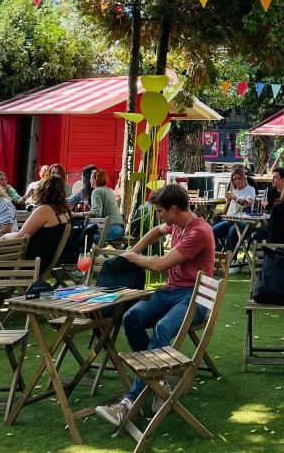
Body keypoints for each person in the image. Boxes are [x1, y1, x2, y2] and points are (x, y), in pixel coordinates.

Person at [95, 183, 215, 427]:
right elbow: (157, 232)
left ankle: (130, 401)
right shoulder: (177, 223)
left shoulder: (198, 231)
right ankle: (157, 381)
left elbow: (161, 265)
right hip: (172, 292)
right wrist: (134, 248)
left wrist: (133, 258)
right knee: (131, 317)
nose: (159, 216)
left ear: (173, 208)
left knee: (162, 327)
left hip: (194, 298)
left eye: (161, 211)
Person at [3, 174, 71, 274]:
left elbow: (21, 237)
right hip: (47, 259)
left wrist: (4, 237)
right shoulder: (65, 211)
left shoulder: (44, 209)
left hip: (31, 262)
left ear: (42, 190)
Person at [211, 166, 256, 252]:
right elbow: (225, 213)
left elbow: (248, 203)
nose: (237, 181)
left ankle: (232, 258)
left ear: (243, 178)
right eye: (234, 179)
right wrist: (227, 202)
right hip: (230, 220)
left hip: (244, 221)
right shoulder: (233, 191)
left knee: (232, 230)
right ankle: (217, 251)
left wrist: (235, 198)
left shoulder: (250, 189)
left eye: (239, 179)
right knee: (213, 230)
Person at [89, 169, 124, 240]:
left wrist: (77, 214)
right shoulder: (108, 190)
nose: (90, 180)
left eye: (91, 178)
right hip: (119, 229)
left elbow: (96, 213)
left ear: (95, 180)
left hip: (111, 229)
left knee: (85, 237)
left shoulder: (96, 191)